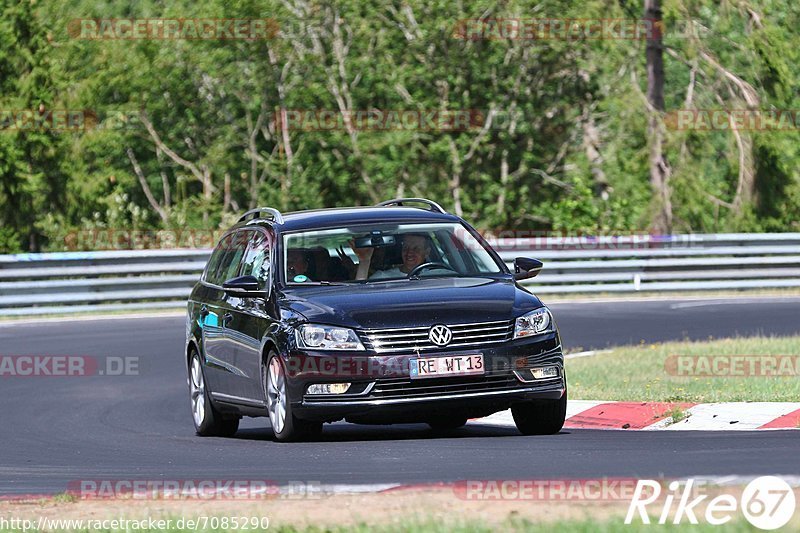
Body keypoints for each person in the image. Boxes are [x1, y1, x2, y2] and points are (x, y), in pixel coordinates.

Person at [352, 234, 431, 280]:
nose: (409, 253)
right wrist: (365, 261)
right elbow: (360, 295)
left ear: (427, 252)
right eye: (405, 248)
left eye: (416, 249)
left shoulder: (438, 274)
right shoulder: (383, 277)